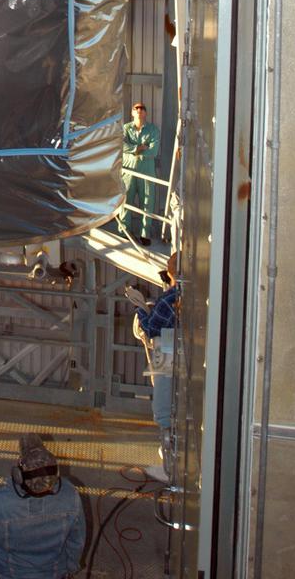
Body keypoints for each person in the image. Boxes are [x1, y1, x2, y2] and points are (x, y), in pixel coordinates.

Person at [0, 433, 85, 579]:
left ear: (18, 474)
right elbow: (76, 544)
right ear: (56, 473)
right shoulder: (70, 496)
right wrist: (71, 568)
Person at [134, 251, 179, 473]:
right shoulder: (182, 295)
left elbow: (152, 329)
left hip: (167, 343)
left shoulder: (171, 298)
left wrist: (140, 311)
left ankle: (168, 454)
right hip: (177, 343)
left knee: (162, 395)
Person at [120, 101, 161, 245]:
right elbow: (121, 144)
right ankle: (124, 231)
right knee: (126, 200)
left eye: (142, 108)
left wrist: (132, 149)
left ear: (146, 112)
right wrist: (138, 148)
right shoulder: (125, 128)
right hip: (128, 170)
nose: (139, 110)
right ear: (132, 112)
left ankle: (145, 234)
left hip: (146, 171)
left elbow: (153, 151)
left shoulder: (153, 130)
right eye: (136, 108)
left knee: (147, 202)